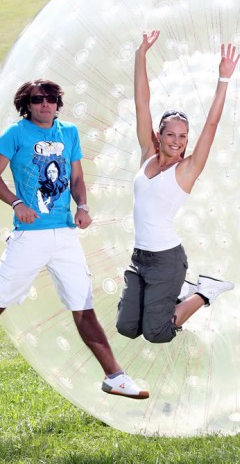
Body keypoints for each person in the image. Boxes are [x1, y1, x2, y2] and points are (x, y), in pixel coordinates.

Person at [0, 79, 148, 399]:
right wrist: (16, 203)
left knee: (83, 304)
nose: (46, 104)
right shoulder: (15, 134)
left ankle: (115, 377)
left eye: (52, 99)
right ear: (27, 104)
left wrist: (82, 206)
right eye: (39, 99)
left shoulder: (69, 132)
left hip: (65, 234)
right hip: (30, 235)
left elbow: (77, 177)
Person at [115, 30, 240, 344]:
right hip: (139, 258)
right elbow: (141, 103)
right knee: (127, 328)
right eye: (170, 134)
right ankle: (176, 292)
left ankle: (203, 292)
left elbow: (211, 125)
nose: (177, 141)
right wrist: (141, 54)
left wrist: (223, 80)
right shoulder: (147, 155)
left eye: (183, 136)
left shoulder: (187, 169)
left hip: (166, 260)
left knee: (156, 333)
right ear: (160, 134)